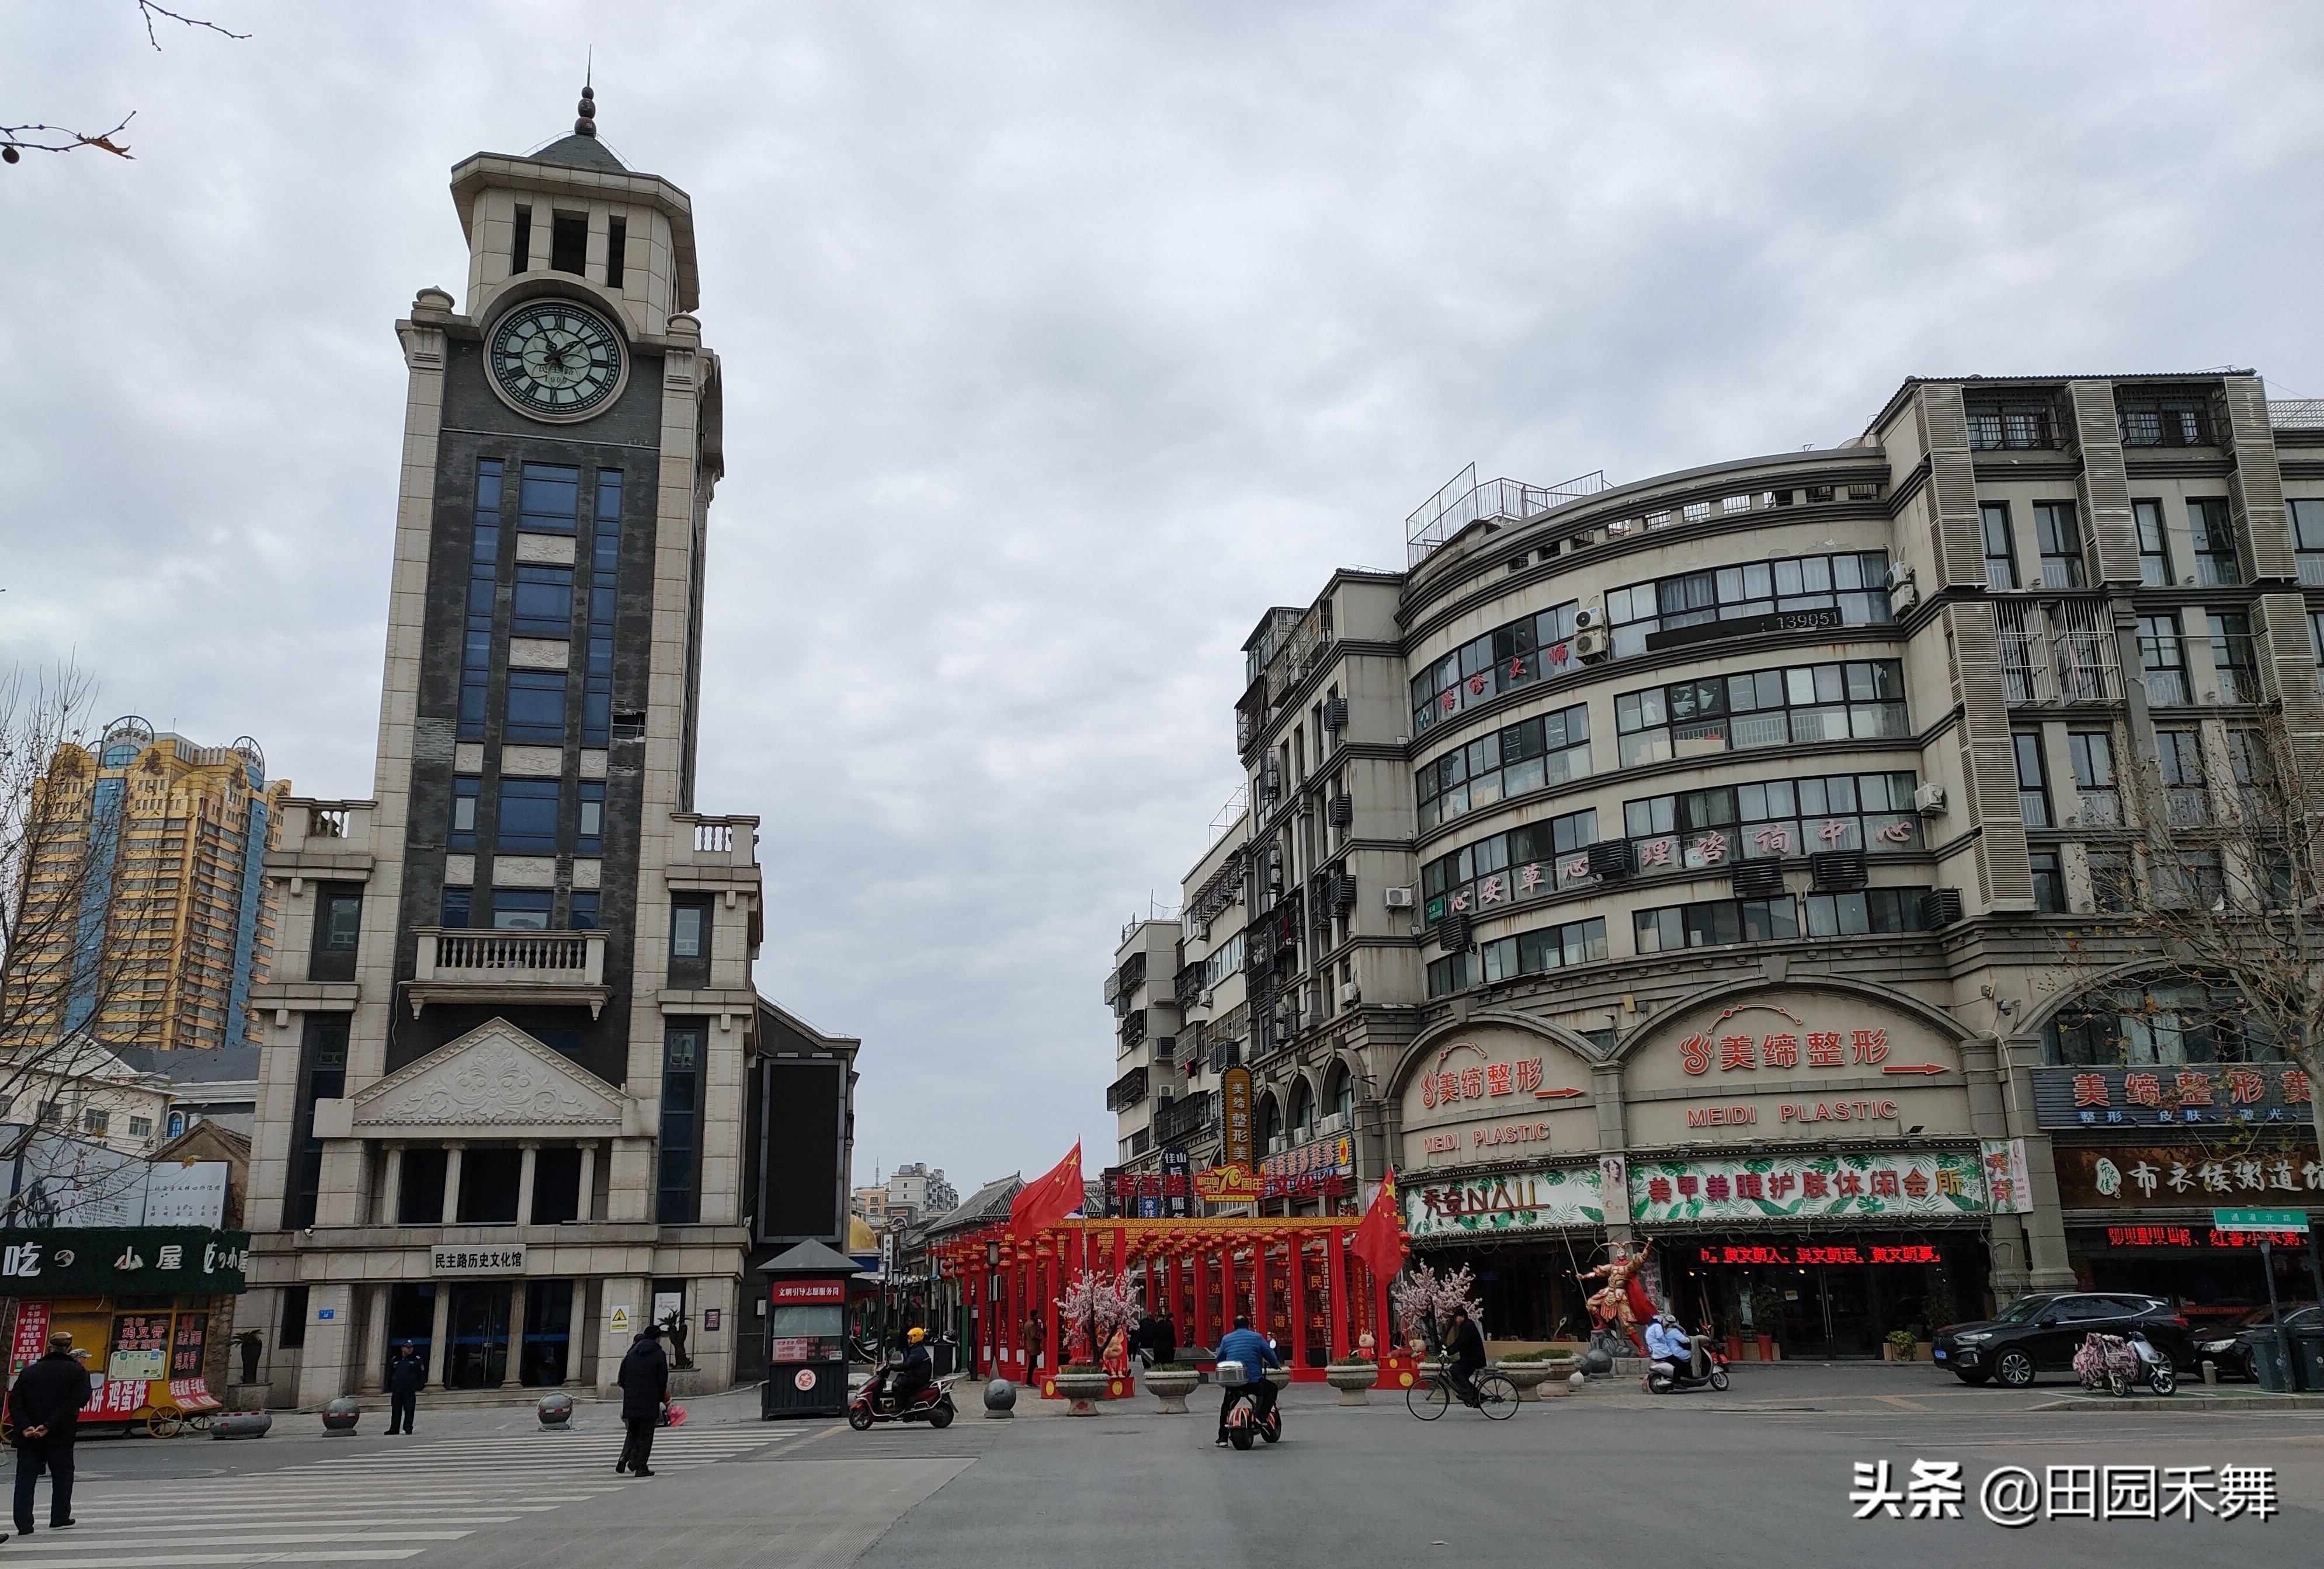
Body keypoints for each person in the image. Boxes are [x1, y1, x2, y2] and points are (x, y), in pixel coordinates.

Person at [10, 1331, 92, 1537]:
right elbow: (76, 1401)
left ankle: (24, 1523)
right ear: (70, 1349)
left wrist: (26, 1426)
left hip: (28, 1437)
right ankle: (59, 1516)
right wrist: (48, 1426)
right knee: (62, 1475)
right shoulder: (78, 1372)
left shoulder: (29, 1372)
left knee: (25, 1480)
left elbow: (15, 1402)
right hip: (60, 1434)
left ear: (49, 1348)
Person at [1213, 1314, 1279, 1446]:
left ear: (1234, 1327)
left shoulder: (1227, 1339)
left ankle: (1223, 1438)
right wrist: (1275, 1364)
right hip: (1253, 1382)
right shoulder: (1257, 1337)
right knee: (1272, 1389)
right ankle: (1261, 1417)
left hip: (1234, 1383)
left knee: (1226, 1406)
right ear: (1249, 1326)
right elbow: (1270, 1355)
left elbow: (1220, 1358)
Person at [614, 1325, 669, 1477]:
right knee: (646, 1435)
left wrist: (631, 1393)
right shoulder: (659, 1355)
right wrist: (660, 1398)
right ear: (657, 1338)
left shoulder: (631, 1354)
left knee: (633, 1431)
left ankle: (627, 1458)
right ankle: (641, 1466)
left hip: (631, 1401)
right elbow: (662, 1379)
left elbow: (623, 1378)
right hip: (649, 1401)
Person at [1443, 1304, 1487, 1407]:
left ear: (1462, 1316)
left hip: (1474, 1359)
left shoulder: (1468, 1326)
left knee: (1455, 1369)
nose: (1456, 1320)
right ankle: (1478, 1397)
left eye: (1457, 1318)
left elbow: (1461, 1343)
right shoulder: (1466, 1325)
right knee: (1461, 1378)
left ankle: (1468, 1393)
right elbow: (1460, 1342)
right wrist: (1448, 1350)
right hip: (1471, 1358)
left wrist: (1448, 1352)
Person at [384, 1342, 426, 1434]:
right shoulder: (396, 1359)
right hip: (397, 1389)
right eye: (408, 1347)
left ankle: (408, 1428)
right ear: (403, 1349)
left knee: (409, 1409)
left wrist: (416, 1385)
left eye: (411, 1347)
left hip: (409, 1389)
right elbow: (390, 1373)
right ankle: (394, 1429)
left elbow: (421, 1374)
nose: (410, 1349)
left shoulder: (416, 1359)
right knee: (396, 1409)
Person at [893, 1326, 934, 1401]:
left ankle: (899, 1407)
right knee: (901, 1378)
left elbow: (906, 1365)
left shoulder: (918, 1351)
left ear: (915, 1338)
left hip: (919, 1379)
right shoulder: (916, 1349)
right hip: (918, 1376)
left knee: (897, 1385)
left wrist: (892, 1367)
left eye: (910, 1338)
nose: (908, 1340)